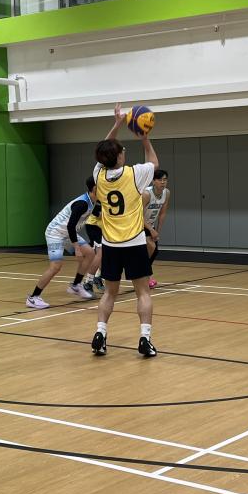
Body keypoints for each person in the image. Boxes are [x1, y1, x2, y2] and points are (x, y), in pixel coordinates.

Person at [91, 103, 159, 358]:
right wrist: (145, 138)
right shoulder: (133, 174)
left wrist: (117, 124)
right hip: (133, 242)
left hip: (110, 244)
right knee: (143, 292)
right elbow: (154, 162)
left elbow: (103, 152)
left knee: (110, 292)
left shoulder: (98, 175)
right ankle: (145, 339)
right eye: (122, 151)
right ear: (120, 156)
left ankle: (100, 333)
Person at [27, 179, 99, 309]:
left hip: (66, 233)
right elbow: (71, 225)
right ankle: (33, 297)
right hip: (55, 233)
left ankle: (75, 285)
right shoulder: (82, 203)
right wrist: (77, 248)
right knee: (56, 266)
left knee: (90, 253)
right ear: (94, 188)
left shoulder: (93, 201)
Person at [143, 169, 171, 288]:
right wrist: (151, 230)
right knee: (151, 247)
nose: (163, 182)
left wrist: (157, 231)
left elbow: (162, 213)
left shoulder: (166, 193)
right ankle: (146, 275)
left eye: (165, 179)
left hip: (150, 224)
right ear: (153, 181)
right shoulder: (146, 194)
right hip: (138, 224)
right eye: (160, 179)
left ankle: (144, 273)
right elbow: (137, 215)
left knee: (154, 251)